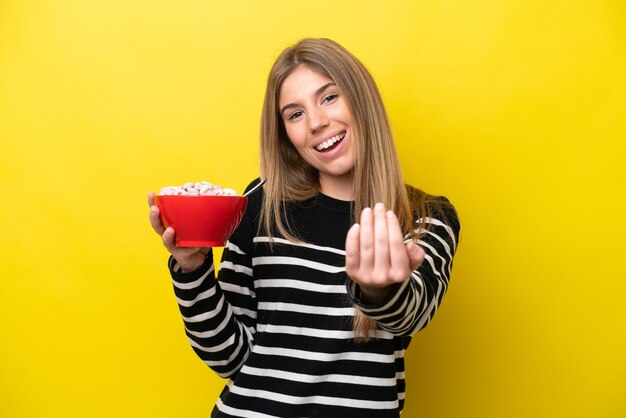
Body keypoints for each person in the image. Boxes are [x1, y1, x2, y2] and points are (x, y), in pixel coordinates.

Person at [148, 38, 460, 418]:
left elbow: (413, 314)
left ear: (362, 99)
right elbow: (229, 357)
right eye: (294, 114)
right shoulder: (261, 203)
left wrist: (379, 290)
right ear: (286, 135)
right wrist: (192, 271)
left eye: (329, 97)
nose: (316, 123)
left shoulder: (428, 217)